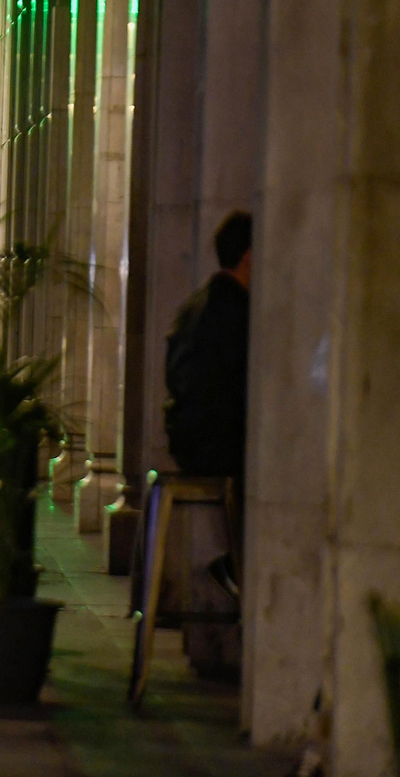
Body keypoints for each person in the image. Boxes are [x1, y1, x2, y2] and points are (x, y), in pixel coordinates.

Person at [163, 210, 252, 593]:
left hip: (188, 436)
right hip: (215, 442)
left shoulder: (199, 303)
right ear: (250, 256)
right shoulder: (236, 311)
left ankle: (238, 564)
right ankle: (243, 564)